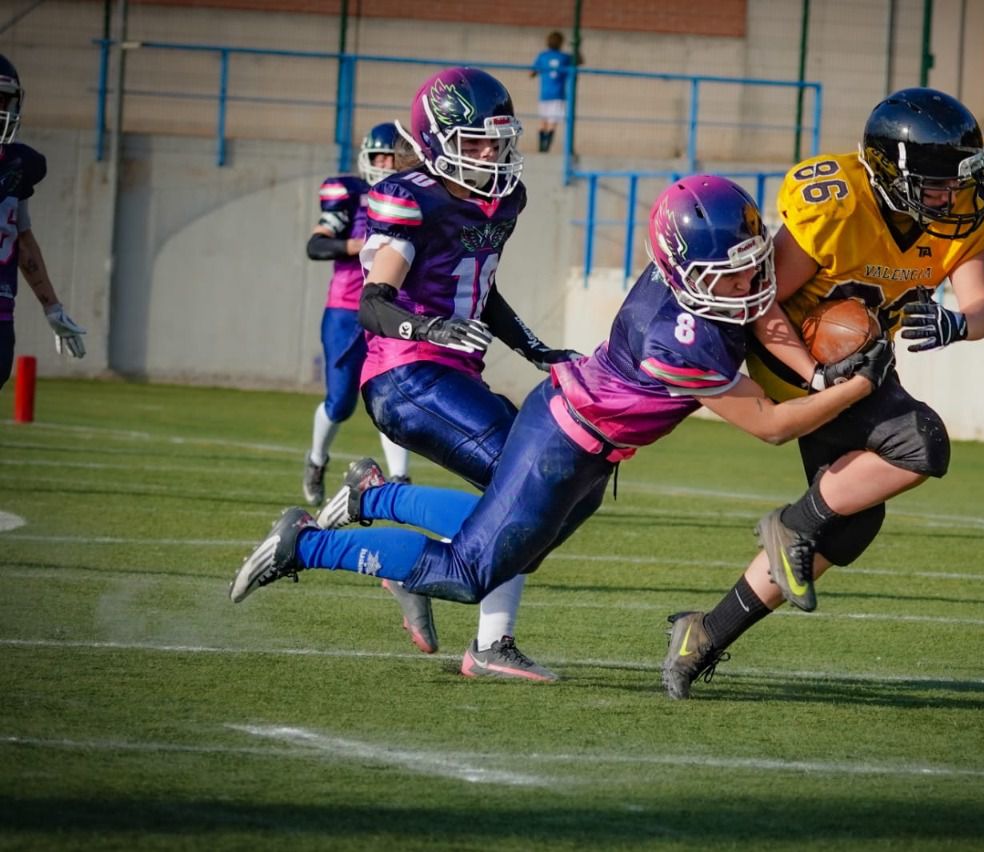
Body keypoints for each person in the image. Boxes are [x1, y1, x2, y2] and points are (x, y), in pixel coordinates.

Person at [229, 175, 897, 658]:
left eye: (752, 264)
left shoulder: (706, 283)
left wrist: (818, 375)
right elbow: (772, 425)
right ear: (685, 270)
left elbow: (761, 310)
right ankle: (305, 544)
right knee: (467, 573)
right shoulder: (677, 338)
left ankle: (374, 499)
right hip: (560, 446)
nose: (749, 283)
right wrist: (857, 386)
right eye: (732, 272)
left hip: (587, 449)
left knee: (517, 549)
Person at [660, 87, 984, 699]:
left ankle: (703, 635)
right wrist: (815, 373)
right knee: (921, 443)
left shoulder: (965, 210)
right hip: (793, 359)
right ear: (889, 175)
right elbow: (760, 302)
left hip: (862, 366)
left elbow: (981, 309)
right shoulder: (838, 204)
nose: (953, 197)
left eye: (959, 182)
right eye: (937, 184)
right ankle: (790, 526)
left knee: (851, 528)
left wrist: (959, 324)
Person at [339, 66, 580, 680]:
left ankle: (409, 559)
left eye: (499, 141)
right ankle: (489, 641)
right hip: (405, 376)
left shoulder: (503, 199)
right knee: (525, 483)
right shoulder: (411, 197)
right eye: (477, 141)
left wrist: (535, 349)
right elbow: (372, 304)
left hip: (454, 373)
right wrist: (429, 329)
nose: (492, 154)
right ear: (436, 140)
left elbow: (481, 288)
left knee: (547, 490)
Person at [302, 122, 412, 506]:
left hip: (389, 309)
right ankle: (317, 459)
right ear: (367, 158)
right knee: (341, 403)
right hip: (347, 310)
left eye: (393, 158)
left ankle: (400, 476)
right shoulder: (350, 194)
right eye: (380, 157)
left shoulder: (411, 196)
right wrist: (358, 244)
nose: (386, 164)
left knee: (390, 395)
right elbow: (316, 246)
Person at [0, 54, 85, 389]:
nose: (1, 110)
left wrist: (53, 308)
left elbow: (21, 240)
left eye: (3, 100)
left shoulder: (19, 165)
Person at [529, 31, 578, 153]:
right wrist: (576, 47)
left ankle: (541, 147)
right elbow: (579, 61)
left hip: (544, 94)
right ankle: (546, 147)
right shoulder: (565, 57)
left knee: (543, 121)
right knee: (553, 122)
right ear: (561, 43)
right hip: (558, 94)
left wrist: (539, 71)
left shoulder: (543, 56)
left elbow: (531, 73)